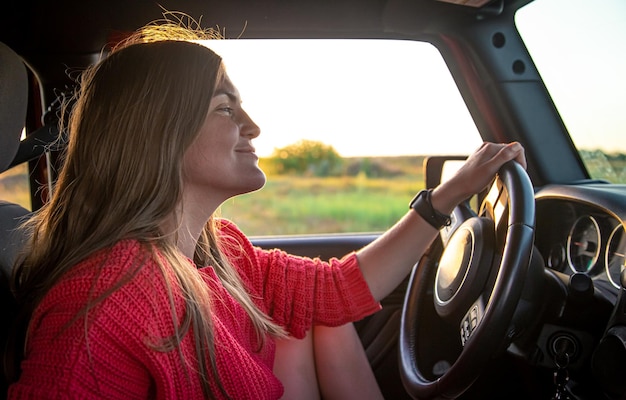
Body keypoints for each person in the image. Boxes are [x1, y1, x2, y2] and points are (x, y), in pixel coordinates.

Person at [7, 22, 526, 400]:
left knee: (308, 320)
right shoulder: (106, 301)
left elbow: (334, 291)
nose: (252, 126)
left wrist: (443, 199)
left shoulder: (217, 249)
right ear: (159, 136)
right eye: (225, 108)